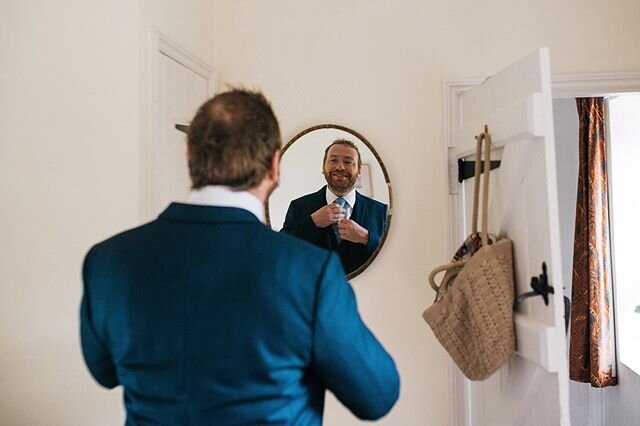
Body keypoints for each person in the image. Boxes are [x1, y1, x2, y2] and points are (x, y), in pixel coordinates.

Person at [80, 89, 399, 425]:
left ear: (189, 155)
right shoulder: (311, 273)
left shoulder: (107, 261)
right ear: (274, 167)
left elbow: (104, 372)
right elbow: (377, 395)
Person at [281, 139, 388, 275]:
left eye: (348, 162)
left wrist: (366, 237)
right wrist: (311, 223)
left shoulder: (380, 211)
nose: (340, 167)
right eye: (333, 160)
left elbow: (392, 256)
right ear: (323, 167)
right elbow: (283, 250)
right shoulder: (298, 206)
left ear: (359, 170)